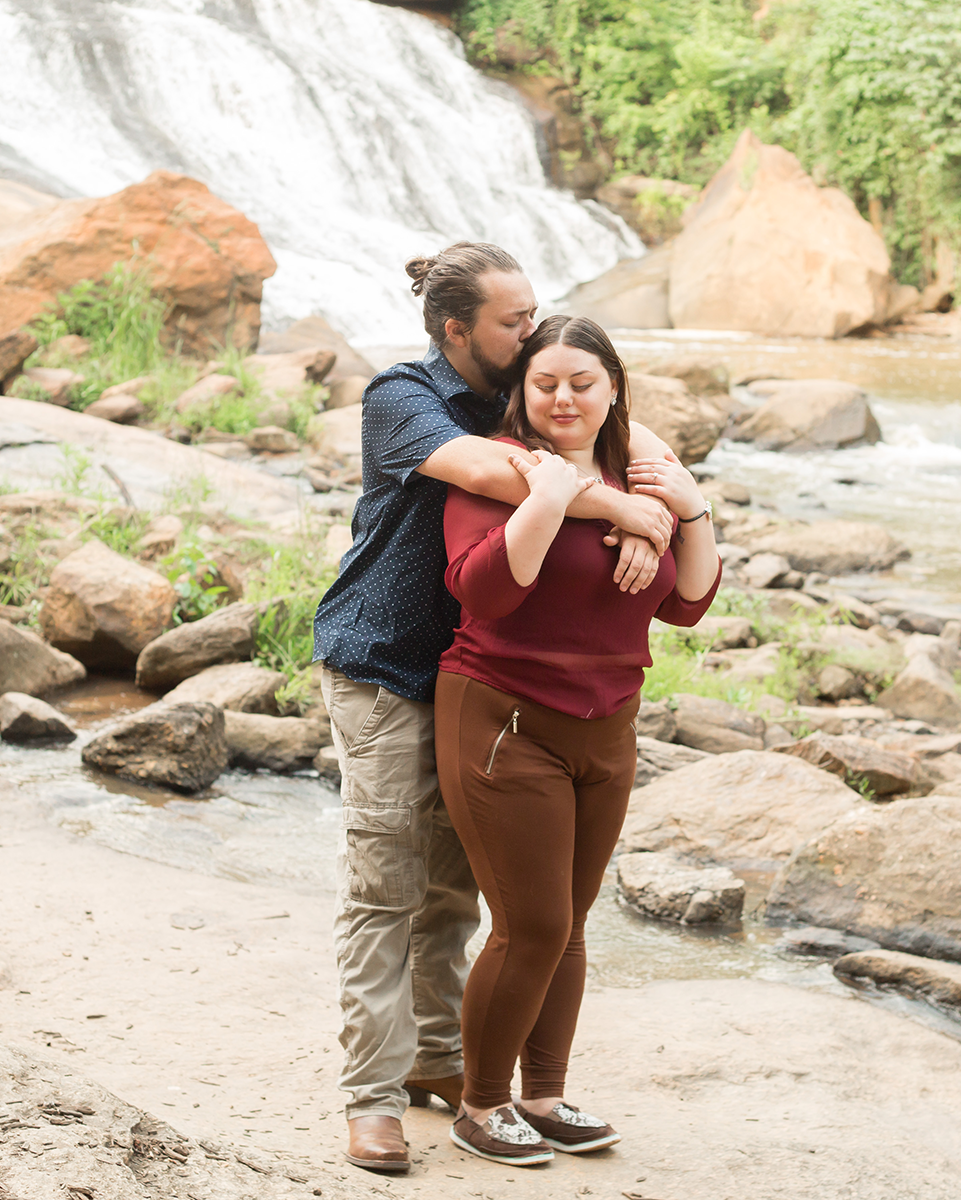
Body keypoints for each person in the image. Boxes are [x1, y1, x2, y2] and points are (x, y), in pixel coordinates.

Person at [311, 243, 683, 1174]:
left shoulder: (527, 395)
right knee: (387, 884)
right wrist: (626, 511)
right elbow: (506, 478)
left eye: (534, 317)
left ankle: (437, 1057)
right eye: (514, 323)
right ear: (455, 330)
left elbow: (634, 436)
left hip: (479, 679)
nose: (530, 335)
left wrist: (673, 502)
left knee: (457, 887)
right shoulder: (404, 399)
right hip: (386, 663)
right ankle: (370, 1098)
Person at [434, 314, 721, 1166]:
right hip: (503, 719)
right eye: (546, 383)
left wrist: (682, 510)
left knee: (570, 924)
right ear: (521, 394)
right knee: (532, 923)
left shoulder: (640, 476)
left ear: (613, 390)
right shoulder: (500, 469)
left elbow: (688, 603)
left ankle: (544, 1095)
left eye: (583, 383)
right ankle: (481, 1106)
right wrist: (551, 498)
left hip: (608, 728)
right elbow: (482, 591)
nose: (564, 398)